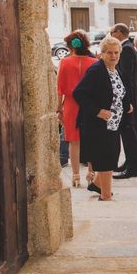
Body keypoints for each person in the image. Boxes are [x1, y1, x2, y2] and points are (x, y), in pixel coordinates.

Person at [73, 36, 133, 201]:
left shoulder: (115, 69)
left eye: (116, 52)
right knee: (106, 160)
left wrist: (127, 105)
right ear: (101, 54)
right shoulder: (96, 70)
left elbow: (119, 91)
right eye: (109, 53)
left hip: (113, 123)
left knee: (113, 156)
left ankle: (97, 185)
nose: (113, 56)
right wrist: (97, 111)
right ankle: (106, 196)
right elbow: (79, 93)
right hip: (98, 125)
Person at [56, 30, 97, 187]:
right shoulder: (93, 63)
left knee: (74, 141)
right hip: (89, 104)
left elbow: (59, 88)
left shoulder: (65, 62)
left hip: (71, 104)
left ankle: (75, 176)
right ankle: (91, 172)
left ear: (70, 46)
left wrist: (59, 107)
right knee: (91, 140)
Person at [110, 23, 137, 179]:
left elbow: (126, 77)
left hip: (127, 100)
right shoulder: (128, 46)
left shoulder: (127, 49)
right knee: (127, 132)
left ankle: (133, 167)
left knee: (129, 133)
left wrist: (127, 101)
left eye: (112, 32)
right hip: (127, 99)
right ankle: (130, 162)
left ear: (119, 33)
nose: (110, 34)